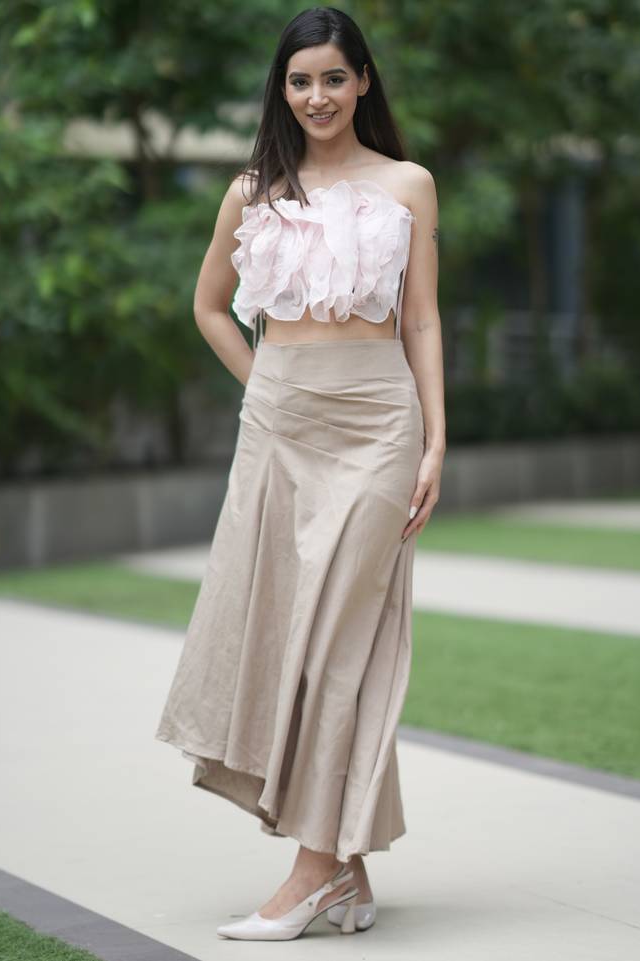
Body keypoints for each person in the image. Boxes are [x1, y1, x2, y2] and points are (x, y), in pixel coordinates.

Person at [155, 5, 445, 942]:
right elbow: (209, 308)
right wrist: (267, 386)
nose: (317, 96)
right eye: (299, 80)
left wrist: (436, 441)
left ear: (363, 81)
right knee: (284, 638)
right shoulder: (252, 191)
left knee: (340, 646)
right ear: (282, 90)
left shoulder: (407, 184)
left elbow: (421, 319)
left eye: (333, 77)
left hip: (379, 426)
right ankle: (347, 871)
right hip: (281, 426)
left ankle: (311, 874)